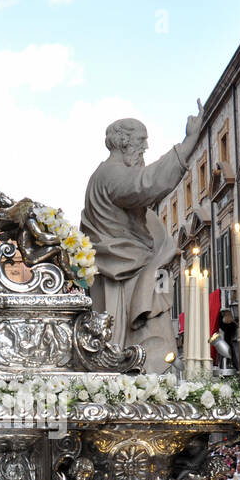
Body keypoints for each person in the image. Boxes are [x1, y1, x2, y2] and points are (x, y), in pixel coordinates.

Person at [80, 106, 204, 362]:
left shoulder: (103, 175)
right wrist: (188, 143)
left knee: (149, 347)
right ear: (124, 142)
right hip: (128, 278)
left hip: (130, 273)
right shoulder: (111, 174)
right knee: (144, 351)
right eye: (141, 141)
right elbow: (147, 184)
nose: (145, 148)